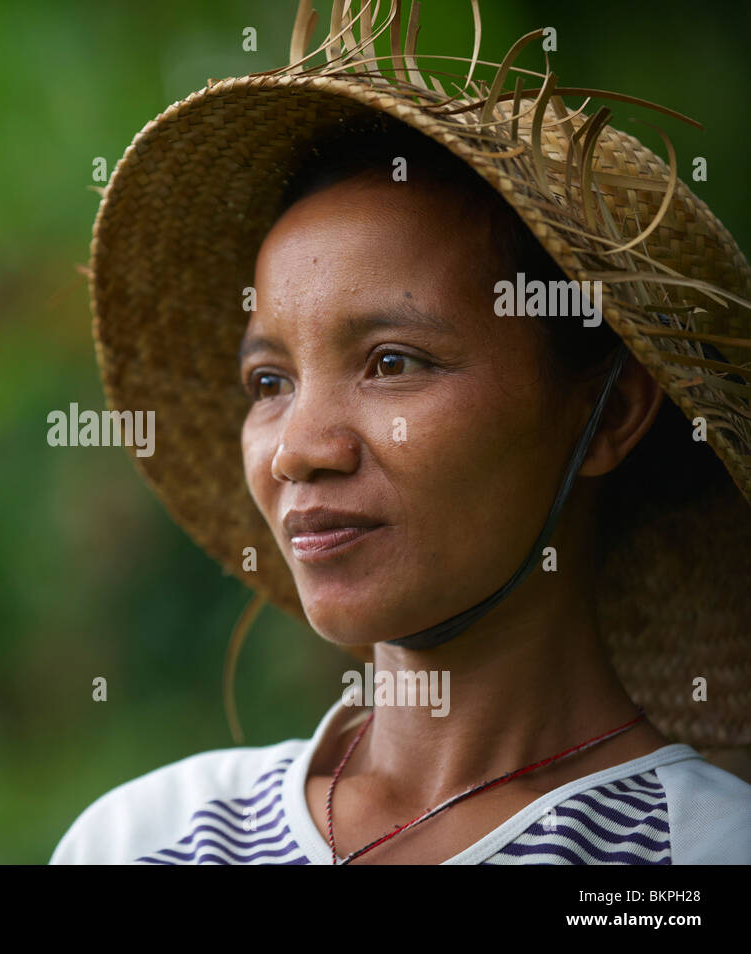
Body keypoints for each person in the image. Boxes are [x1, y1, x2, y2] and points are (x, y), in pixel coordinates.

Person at [52, 0, 751, 864]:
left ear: (608, 412)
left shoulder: (702, 852)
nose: (298, 448)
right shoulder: (144, 839)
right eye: (268, 382)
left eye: (393, 362)